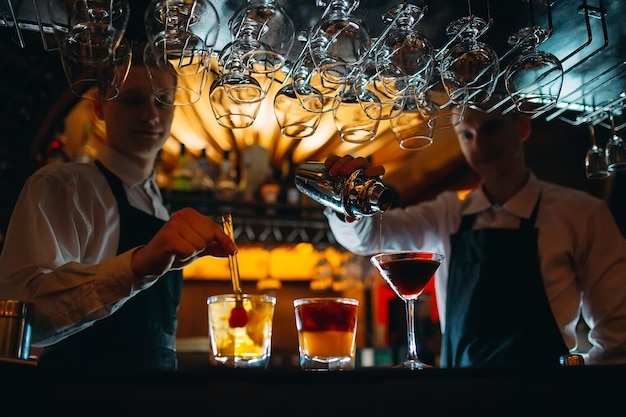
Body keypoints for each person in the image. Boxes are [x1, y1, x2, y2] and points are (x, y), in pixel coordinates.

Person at [324, 103, 626, 367]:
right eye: (466, 134)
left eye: (491, 127)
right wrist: (347, 203)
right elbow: (366, 239)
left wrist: (577, 394)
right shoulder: (446, 214)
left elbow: (618, 335)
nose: (479, 145)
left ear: (522, 126)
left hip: (544, 399)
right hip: (460, 400)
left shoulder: (582, 214)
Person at [0, 46, 236, 370]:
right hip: (78, 396)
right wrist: (136, 266)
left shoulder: (159, 205)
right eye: (133, 99)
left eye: (163, 100)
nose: (150, 115)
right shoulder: (63, 186)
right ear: (99, 106)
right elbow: (23, 312)